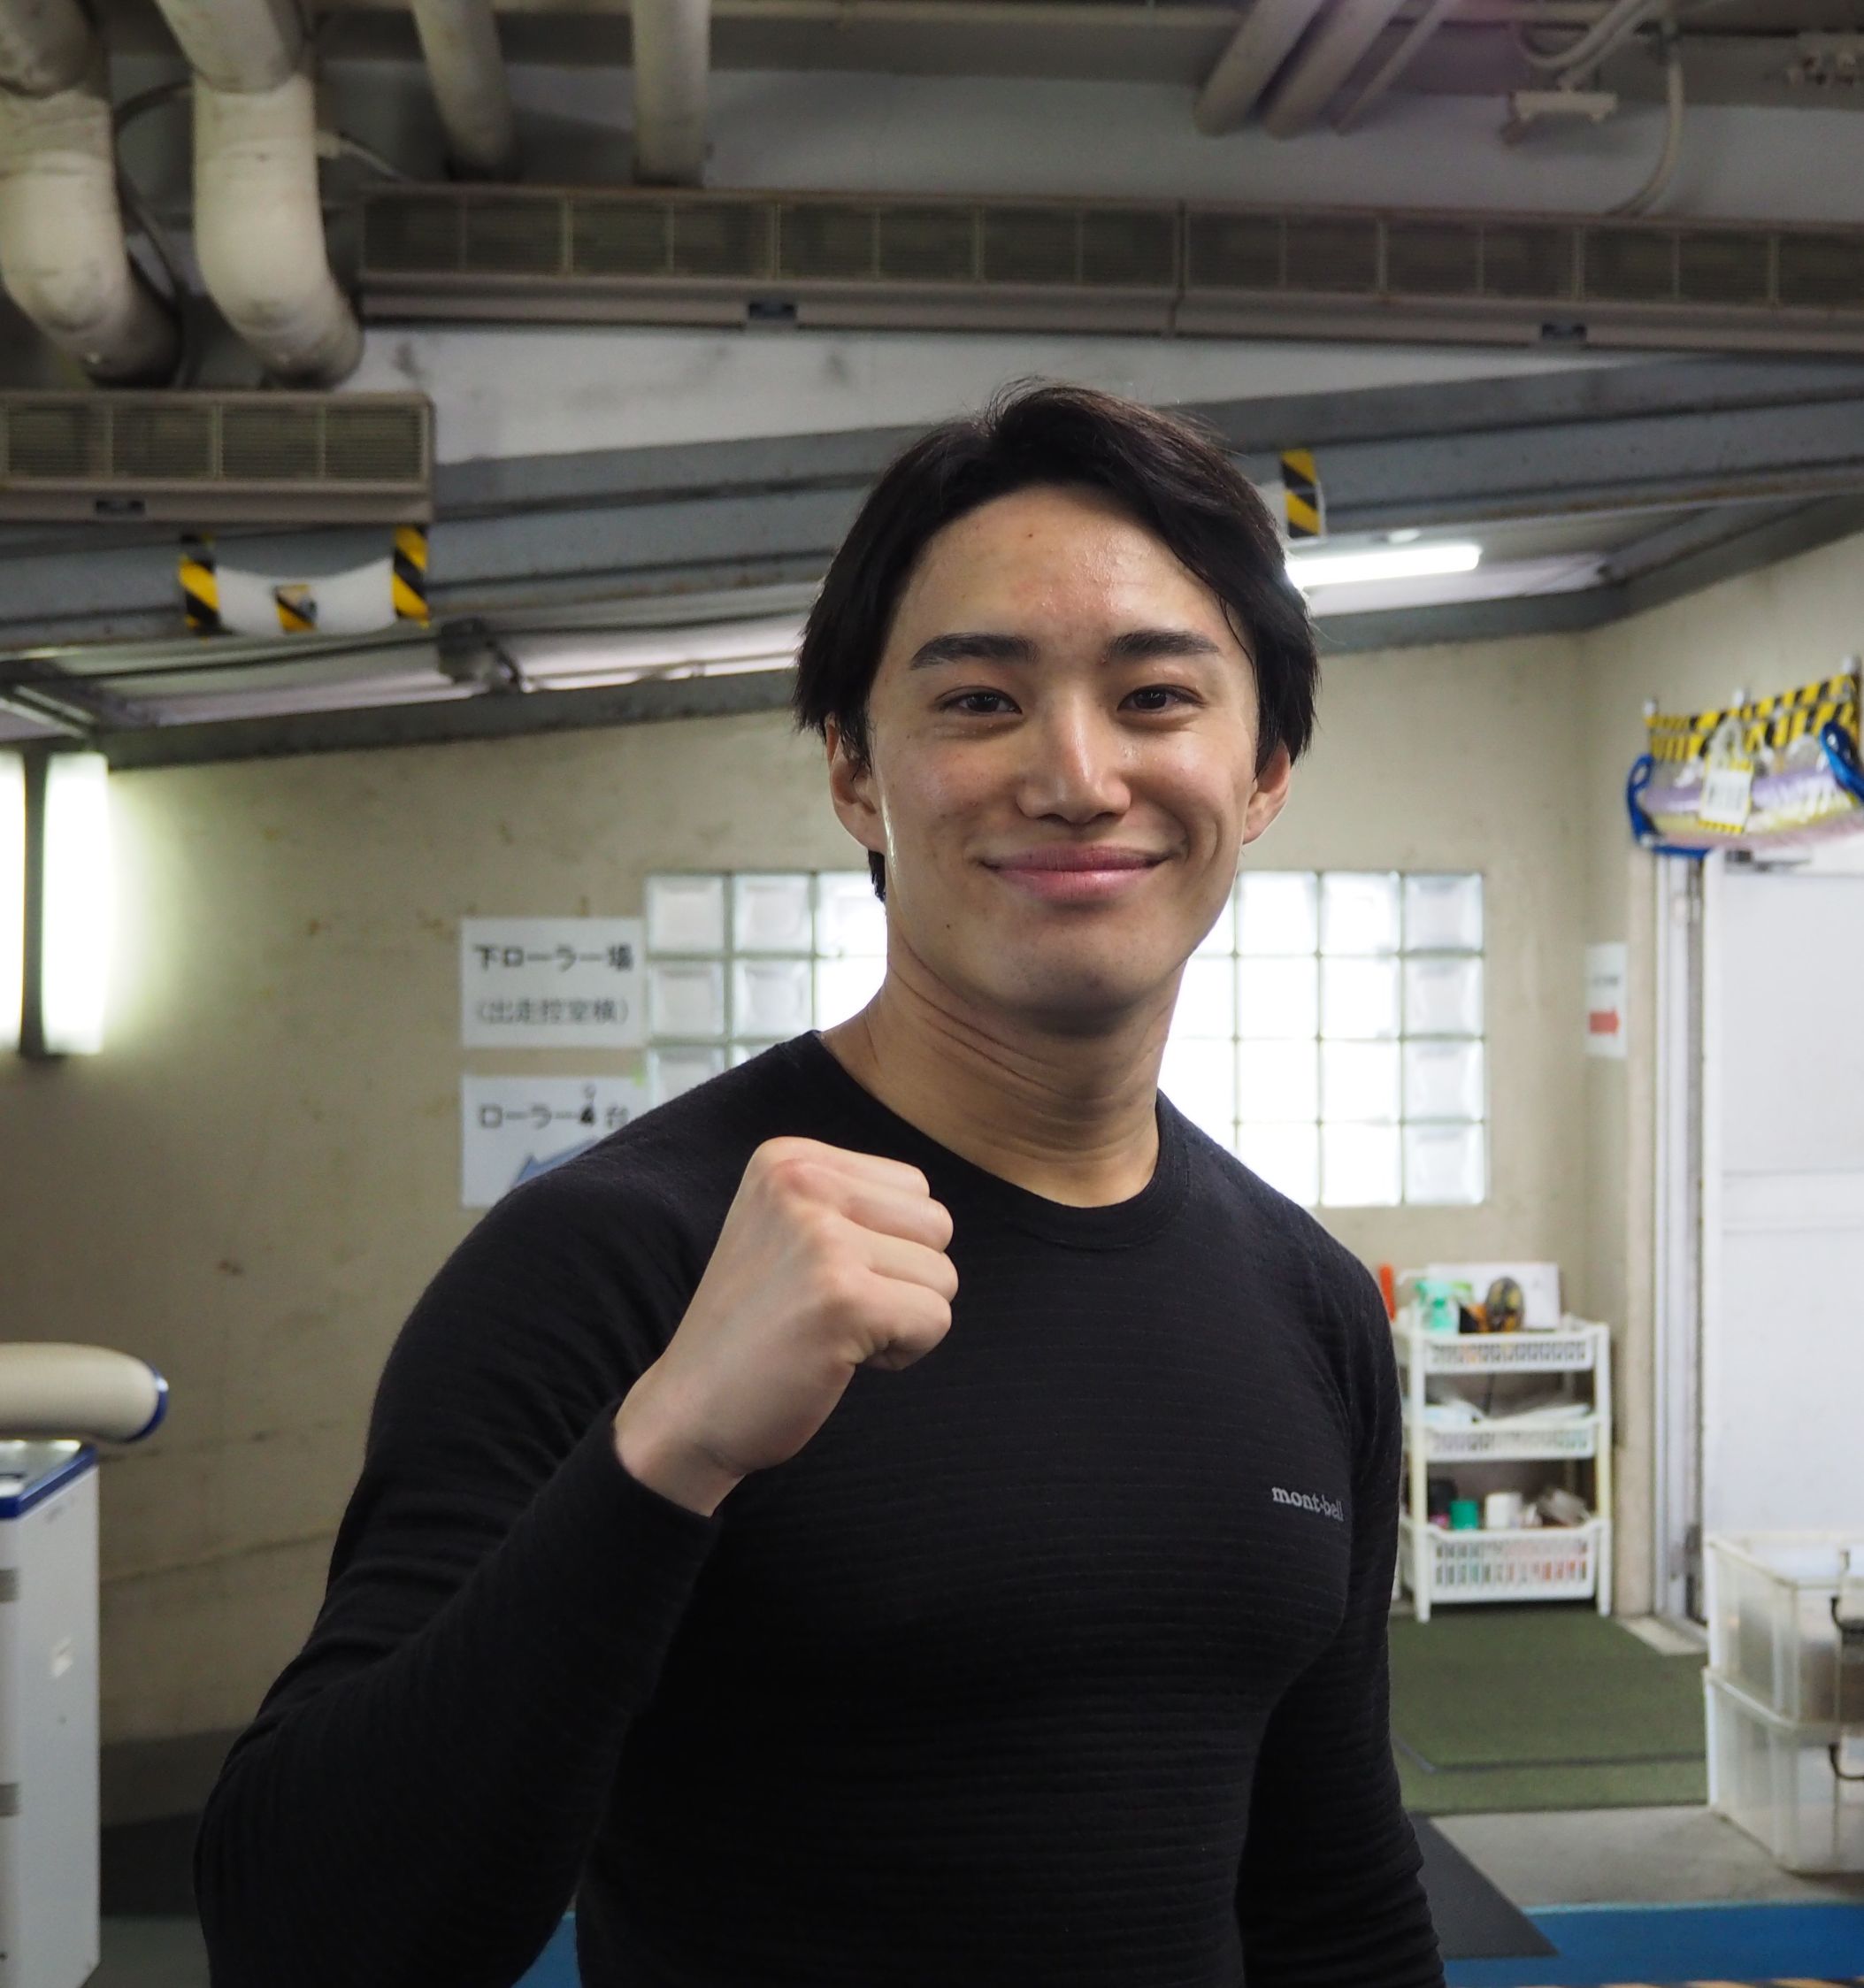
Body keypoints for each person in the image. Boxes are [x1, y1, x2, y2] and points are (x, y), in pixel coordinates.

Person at [194, 379, 1446, 1987]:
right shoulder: (618, 1258)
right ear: (855, 770)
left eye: (1156, 697)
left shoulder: (1310, 1306)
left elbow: (1333, 1903)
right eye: (980, 700)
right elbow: (300, 1934)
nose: (1077, 775)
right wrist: (668, 1448)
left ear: (1263, 770)